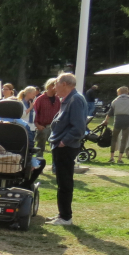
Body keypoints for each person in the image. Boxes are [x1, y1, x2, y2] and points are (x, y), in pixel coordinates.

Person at [47, 73, 87, 226]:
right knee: (61, 181)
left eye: (56, 83)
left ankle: (65, 217)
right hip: (61, 145)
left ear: (64, 84)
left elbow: (78, 127)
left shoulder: (75, 99)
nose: (54, 87)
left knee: (64, 182)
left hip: (66, 146)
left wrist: (64, 141)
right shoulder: (68, 99)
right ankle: (62, 214)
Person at [100, 86, 129, 164]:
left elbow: (110, 112)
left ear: (119, 92)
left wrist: (106, 120)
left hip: (118, 120)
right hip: (127, 120)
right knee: (124, 139)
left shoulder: (115, 101)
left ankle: (112, 157)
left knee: (114, 138)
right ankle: (120, 158)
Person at [33, 78, 60, 157]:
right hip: (43, 127)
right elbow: (35, 113)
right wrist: (37, 125)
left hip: (54, 127)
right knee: (40, 148)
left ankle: (55, 166)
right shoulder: (40, 99)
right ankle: (38, 166)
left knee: (55, 147)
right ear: (51, 86)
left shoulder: (57, 99)